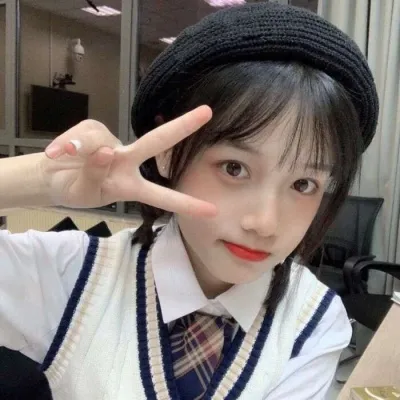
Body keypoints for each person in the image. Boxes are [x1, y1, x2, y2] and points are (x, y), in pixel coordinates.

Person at [0, 3, 378, 400]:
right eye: (234, 168)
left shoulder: (313, 319)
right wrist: (42, 179)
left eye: (303, 184)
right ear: (168, 152)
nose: (265, 223)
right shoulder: (71, 276)